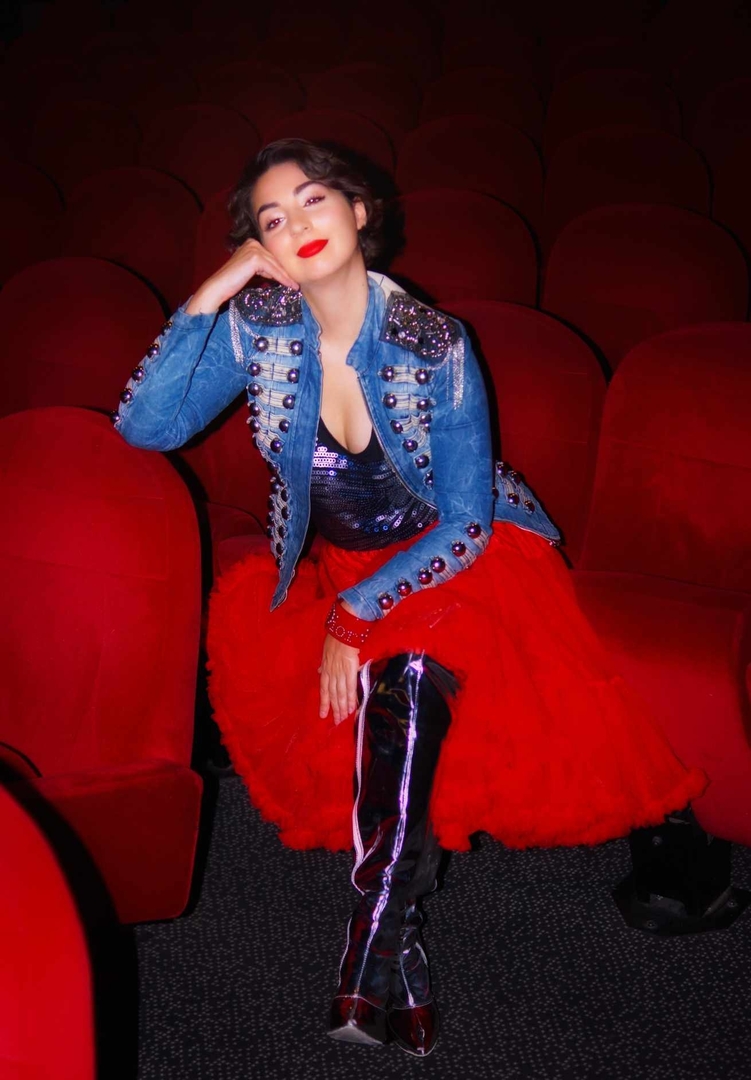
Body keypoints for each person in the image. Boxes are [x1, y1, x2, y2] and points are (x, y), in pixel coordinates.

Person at [112, 138, 708, 1058]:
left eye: (314, 200)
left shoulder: (432, 343)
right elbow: (146, 427)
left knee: (409, 674)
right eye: (272, 218)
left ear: (360, 213)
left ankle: (369, 946)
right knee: (389, 717)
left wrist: (357, 617)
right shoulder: (258, 326)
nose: (297, 224)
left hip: (456, 563)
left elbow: (465, 522)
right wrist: (210, 293)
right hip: (339, 568)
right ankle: (404, 960)